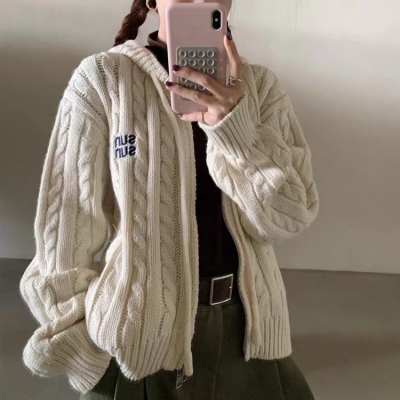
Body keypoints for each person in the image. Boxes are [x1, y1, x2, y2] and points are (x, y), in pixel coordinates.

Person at [19, 0, 320, 399]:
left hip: (250, 341)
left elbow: (290, 216)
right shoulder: (104, 80)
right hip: (136, 345)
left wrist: (236, 127)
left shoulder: (261, 88)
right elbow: (62, 238)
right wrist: (85, 357)